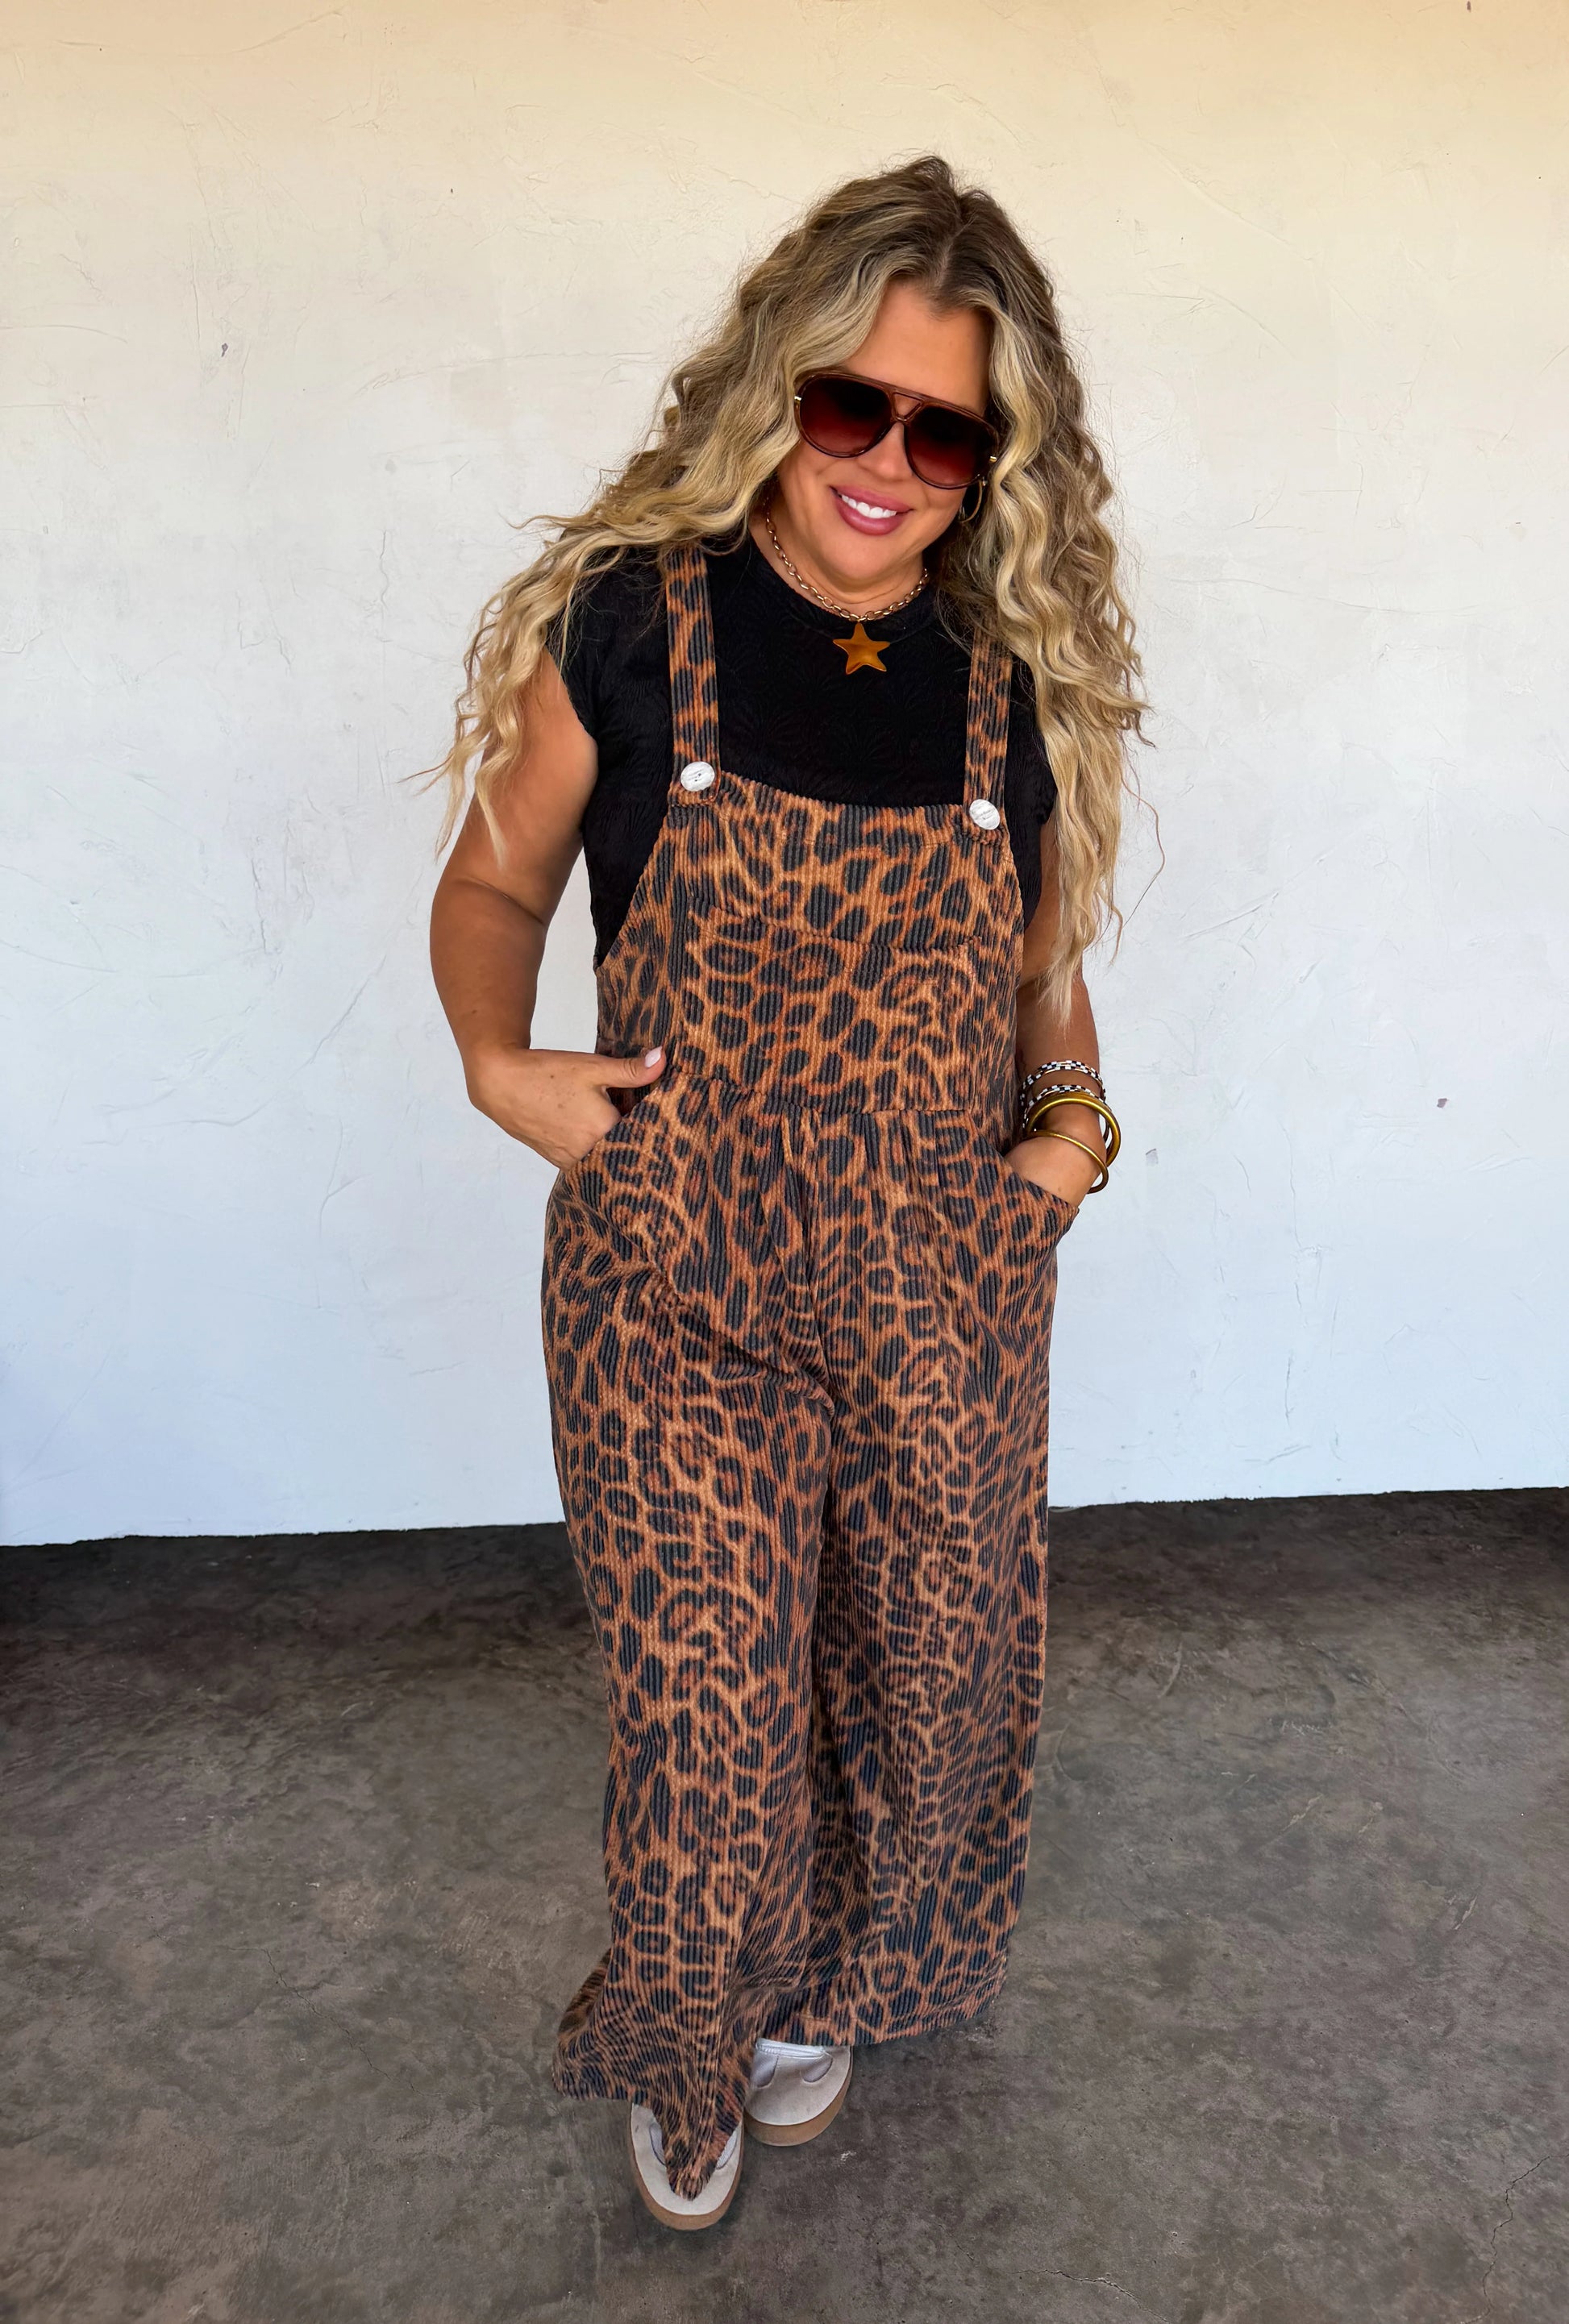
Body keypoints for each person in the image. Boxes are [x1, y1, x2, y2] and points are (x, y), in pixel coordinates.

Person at [429, 155, 1143, 2230]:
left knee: (918, 1678)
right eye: (853, 405)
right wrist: (500, 1062)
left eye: (947, 433)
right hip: (675, 1263)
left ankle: (813, 1992)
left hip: (938, 1276)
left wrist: (1068, 1136)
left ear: (995, 460)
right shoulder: (633, 625)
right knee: (712, 1708)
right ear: (779, 385)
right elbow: (495, 880)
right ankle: (690, 2037)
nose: (888, 466)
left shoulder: (1005, 681)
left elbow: (1042, 965)